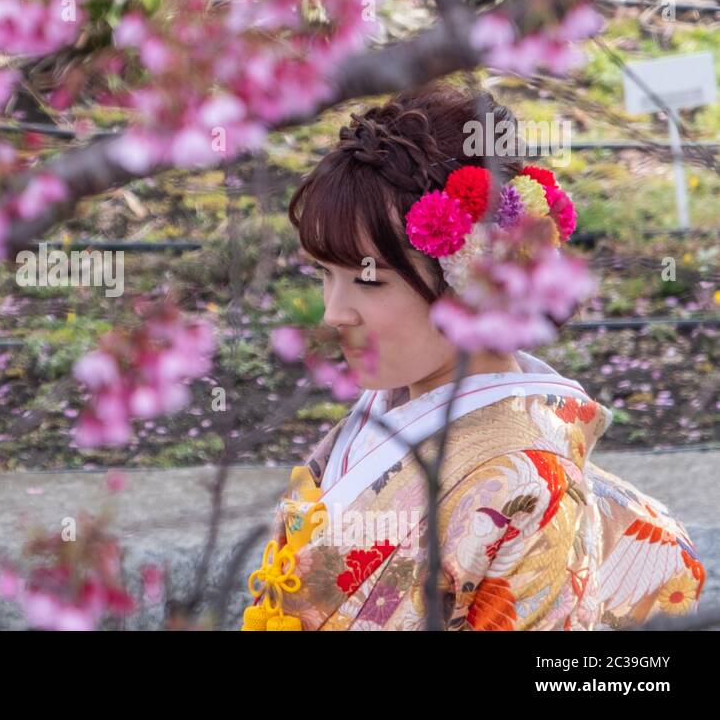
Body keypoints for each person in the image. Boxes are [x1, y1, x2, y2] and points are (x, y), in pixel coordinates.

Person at [242, 84, 706, 630]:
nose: (334, 313)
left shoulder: (532, 483)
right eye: (325, 274)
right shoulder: (377, 417)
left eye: (368, 281)